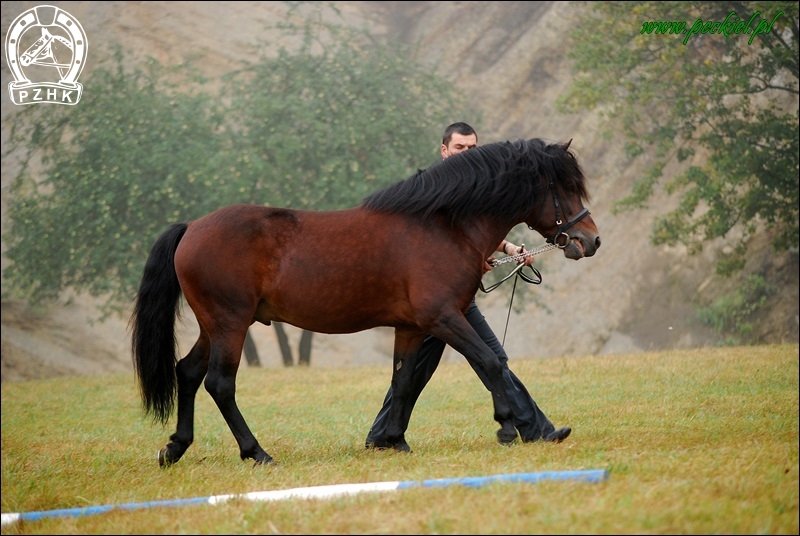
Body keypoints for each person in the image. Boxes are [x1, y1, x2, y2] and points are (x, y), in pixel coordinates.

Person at [365, 122, 572, 448]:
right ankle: (537, 430)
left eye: (472, 148)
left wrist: (508, 249)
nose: (467, 154)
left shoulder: (471, 186)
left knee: (419, 369)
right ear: (444, 150)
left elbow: (473, 234)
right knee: (487, 357)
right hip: (433, 296)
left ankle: (382, 435)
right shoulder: (434, 187)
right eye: (460, 148)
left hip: (446, 298)